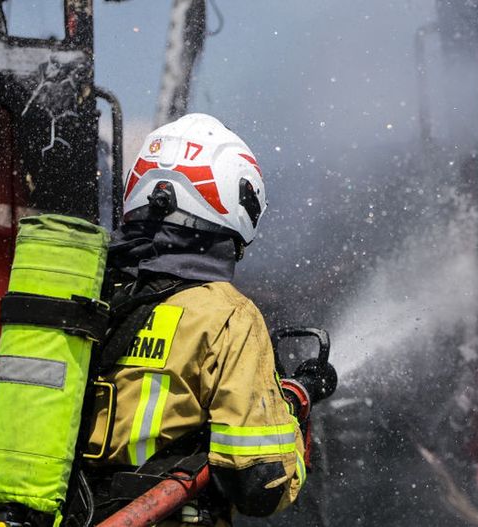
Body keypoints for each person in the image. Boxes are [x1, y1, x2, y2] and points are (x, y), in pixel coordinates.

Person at [81, 113, 311, 526]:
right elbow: (260, 484)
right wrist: (292, 409)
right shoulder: (228, 317)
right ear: (233, 201)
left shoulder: (93, 299)